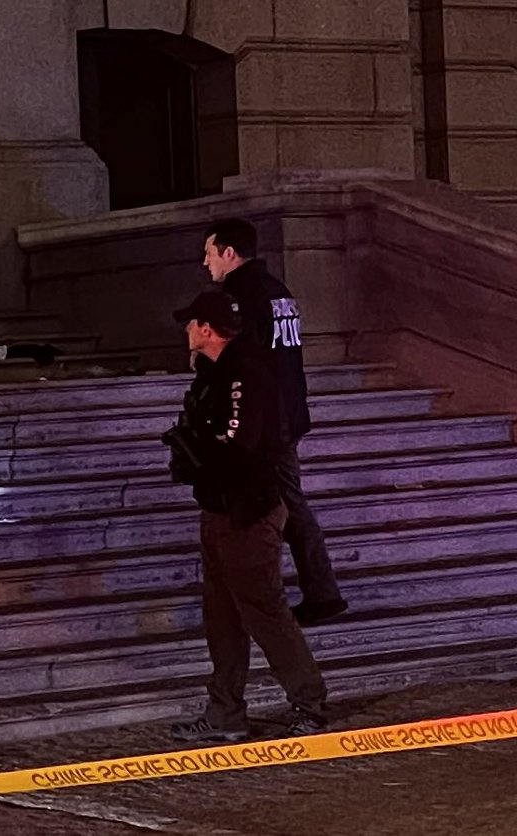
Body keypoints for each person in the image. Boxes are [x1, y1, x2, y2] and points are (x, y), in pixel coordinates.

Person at [163, 291, 328, 741]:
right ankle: (225, 714)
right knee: (222, 617)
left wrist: (199, 453)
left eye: (191, 323)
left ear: (206, 330)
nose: (186, 330)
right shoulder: (217, 372)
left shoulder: (245, 372)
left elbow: (241, 445)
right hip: (220, 509)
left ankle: (308, 703)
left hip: (247, 512)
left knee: (263, 611)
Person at [201, 218, 347, 627]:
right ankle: (308, 592)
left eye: (210, 252)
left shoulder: (239, 298)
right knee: (283, 503)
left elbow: (237, 363)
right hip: (286, 413)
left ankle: (319, 592)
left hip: (266, 421)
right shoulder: (278, 292)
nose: (205, 262)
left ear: (230, 253)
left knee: (283, 506)